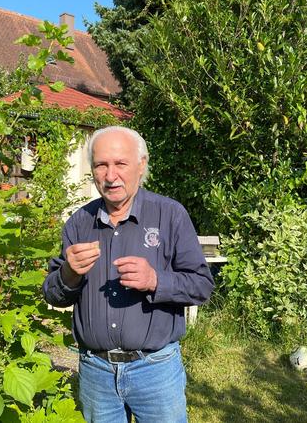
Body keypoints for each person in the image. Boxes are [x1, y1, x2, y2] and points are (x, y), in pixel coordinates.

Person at [43, 126, 214, 423]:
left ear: (141, 165)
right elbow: (53, 294)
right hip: (96, 371)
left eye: (120, 164)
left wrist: (156, 280)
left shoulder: (170, 214)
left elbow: (202, 285)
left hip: (155, 370)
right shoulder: (78, 223)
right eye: (101, 165)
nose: (111, 176)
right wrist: (69, 273)